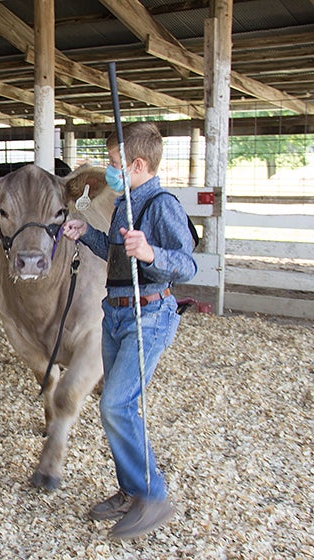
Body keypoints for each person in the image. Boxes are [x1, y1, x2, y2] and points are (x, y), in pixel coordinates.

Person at [62, 122, 197, 540]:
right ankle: (130, 490)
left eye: (116, 163)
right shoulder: (124, 202)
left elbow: (187, 264)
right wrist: (88, 234)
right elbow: (118, 254)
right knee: (117, 405)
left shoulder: (160, 204)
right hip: (116, 312)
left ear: (138, 164)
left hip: (149, 315)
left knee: (117, 406)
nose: (111, 169)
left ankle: (153, 496)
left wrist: (152, 252)